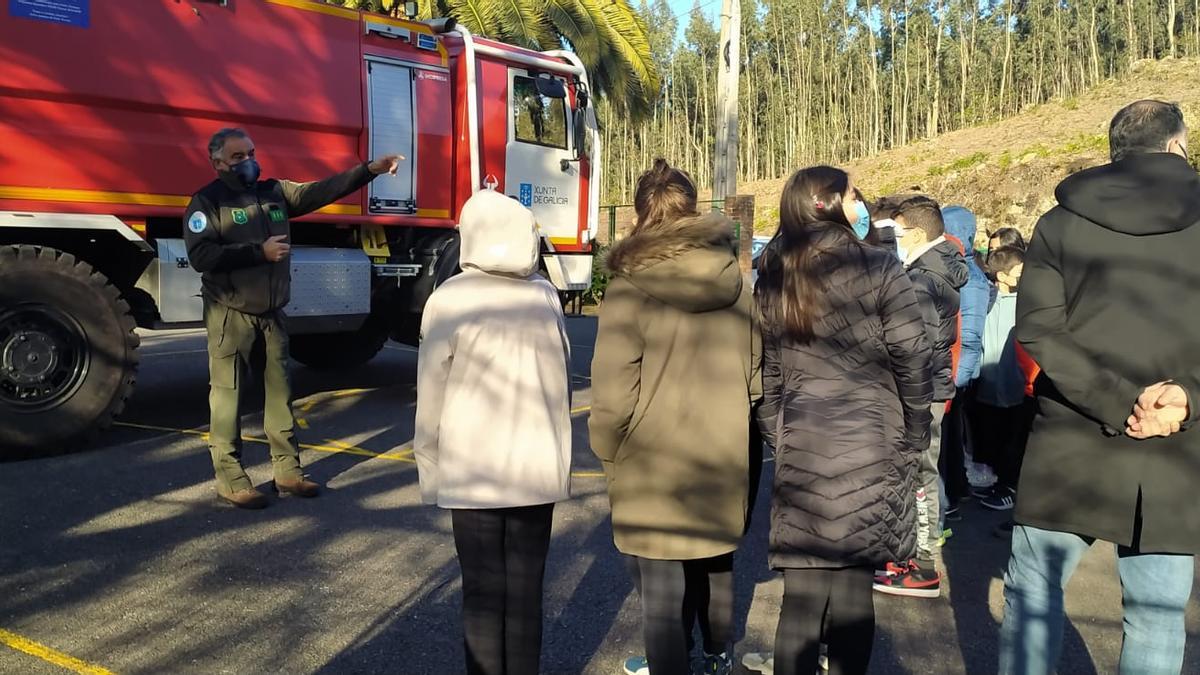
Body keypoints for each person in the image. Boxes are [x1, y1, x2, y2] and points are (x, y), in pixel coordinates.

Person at [999, 99, 1200, 674]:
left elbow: (1037, 328)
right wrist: (1183, 399)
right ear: (1177, 146)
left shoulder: (1061, 222)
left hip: (1072, 443)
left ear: (1115, 152)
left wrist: (1117, 399)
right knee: (1157, 614)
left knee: (1033, 595)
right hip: (1174, 451)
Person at [755, 166, 932, 675]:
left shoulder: (774, 273)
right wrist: (914, 429)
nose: (861, 205)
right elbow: (913, 356)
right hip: (872, 443)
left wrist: (778, 433)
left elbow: (765, 371)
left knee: (802, 597)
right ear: (831, 203)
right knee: (855, 593)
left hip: (803, 442)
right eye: (854, 196)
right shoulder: (880, 267)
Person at [589, 159, 761, 675]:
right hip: (722, 454)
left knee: (661, 591)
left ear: (640, 214)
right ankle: (715, 657)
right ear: (693, 207)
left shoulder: (627, 287)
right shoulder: (735, 280)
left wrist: (607, 449)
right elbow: (756, 377)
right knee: (715, 563)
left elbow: (613, 392)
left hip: (651, 459)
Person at [184, 127, 401, 509]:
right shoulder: (206, 202)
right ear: (217, 162)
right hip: (230, 315)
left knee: (281, 397)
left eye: (250, 152)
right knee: (227, 399)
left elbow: (322, 190)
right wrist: (258, 252)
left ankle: (288, 473)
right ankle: (231, 478)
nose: (248, 161)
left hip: (272, 315)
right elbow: (202, 257)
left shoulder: (275, 193)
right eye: (238, 157)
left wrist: (370, 169)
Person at [414, 189, 572, 675]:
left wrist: (430, 471)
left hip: (473, 468)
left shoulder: (450, 299)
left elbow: (431, 393)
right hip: (536, 465)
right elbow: (563, 373)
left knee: (482, 592)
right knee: (526, 590)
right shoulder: (546, 296)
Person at [871, 195, 967, 598]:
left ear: (915, 231)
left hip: (920, 393)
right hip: (926, 390)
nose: (892, 238)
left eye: (896, 231)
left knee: (921, 475)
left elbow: (914, 348)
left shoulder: (922, 279)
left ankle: (922, 564)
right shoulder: (933, 269)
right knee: (915, 474)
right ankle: (907, 552)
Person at [969, 247, 1033, 512]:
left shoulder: (1026, 303)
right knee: (990, 437)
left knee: (1013, 439)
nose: (1024, 275)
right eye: (1019, 271)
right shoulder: (987, 301)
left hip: (1017, 386)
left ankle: (1007, 486)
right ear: (1003, 276)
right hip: (988, 384)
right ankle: (993, 479)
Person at [940, 206, 990, 522]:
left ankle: (950, 498)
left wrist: (959, 376)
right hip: (955, 368)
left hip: (955, 369)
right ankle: (956, 491)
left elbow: (969, 335)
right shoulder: (968, 270)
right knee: (951, 437)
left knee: (946, 441)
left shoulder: (968, 276)